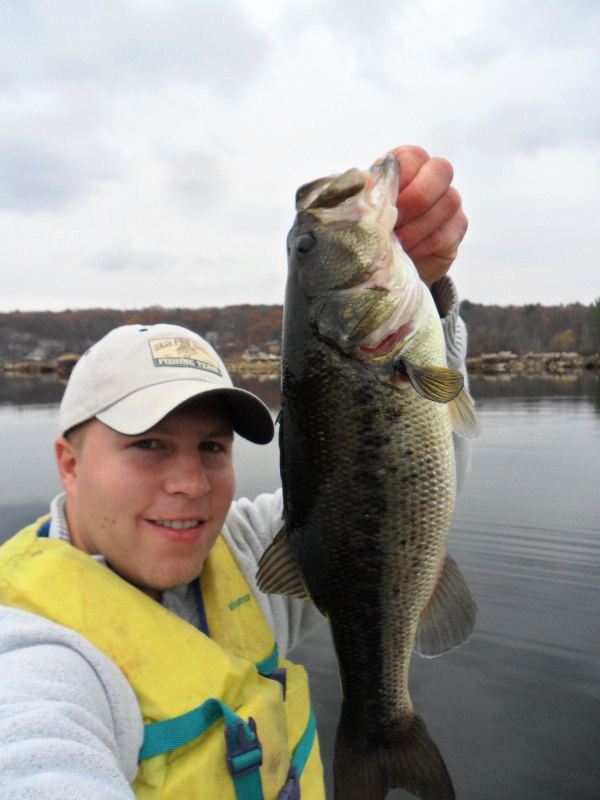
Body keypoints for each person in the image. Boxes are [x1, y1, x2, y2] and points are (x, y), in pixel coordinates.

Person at [0, 146, 470, 799]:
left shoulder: (245, 559)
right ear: (69, 464)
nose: (190, 484)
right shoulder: (26, 655)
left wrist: (433, 296)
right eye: (150, 446)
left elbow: (407, 490)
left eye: (213, 448)